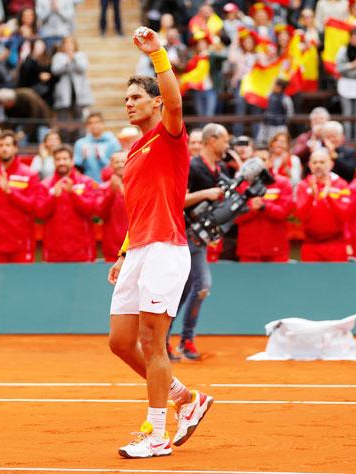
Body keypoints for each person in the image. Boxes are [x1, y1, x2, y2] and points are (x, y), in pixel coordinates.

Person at [107, 26, 212, 460]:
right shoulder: (133, 153)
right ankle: (186, 397)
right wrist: (124, 252)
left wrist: (158, 55)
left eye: (136, 98)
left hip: (168, 249)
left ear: (153, 103)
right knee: (119, 341)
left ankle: (155, 433)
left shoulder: (169, 134)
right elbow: (140, 207)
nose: (129, 104)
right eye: (126, 98)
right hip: (139, 251)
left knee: (154, 343)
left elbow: (174, 100)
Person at [168, 123, 228, 361]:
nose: (227, 145)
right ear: (212, 140)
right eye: (224, 140)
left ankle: (169, 339)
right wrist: (206, 193)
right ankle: (185, 339)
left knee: (182, 291)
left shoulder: (218, 169)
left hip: (199, 238)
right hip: (184, 235)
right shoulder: (192, 166)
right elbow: (177, 200)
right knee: (201, 285)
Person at [0, 130, 39, 263]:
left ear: (15, 148)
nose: (4, 149)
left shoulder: (29, 174)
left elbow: (32, 207)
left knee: (22, 283)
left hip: (21, 242)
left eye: (8, 145)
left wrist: (10, 192)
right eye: (1, 145)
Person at [36, 145, 98, 262]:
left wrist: (73, 193)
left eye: (65, 159)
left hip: (82, 250)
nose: (61, 162)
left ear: (72, 161)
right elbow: (40, 213)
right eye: (58, 159)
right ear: (54, 162)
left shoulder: (86, 182)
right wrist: (53, 196)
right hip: (54, 251)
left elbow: (91, 210)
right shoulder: (45, 185)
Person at [235, 152, 294, 262]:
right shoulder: (241, 184)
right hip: (249, 251)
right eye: (255, 160)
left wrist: (264, 206)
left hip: (276, 250)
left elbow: (284, 213)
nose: (259, 164)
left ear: (271, 161)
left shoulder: (282, 183)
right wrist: (251, 209)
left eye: (263, 159)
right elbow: (234, 217)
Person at [295, 149, 352, 262]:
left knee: (338, 279)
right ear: (310, 165)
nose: (318, 166)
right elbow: (301, 216)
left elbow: (345, 215)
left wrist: (329, 197)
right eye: (315, 162)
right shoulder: (303, 185)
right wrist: (311, 196)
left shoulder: (341, 184)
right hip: (310, 244)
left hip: (336, 244)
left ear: (330, 164)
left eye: (322, 162)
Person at [96, 151, 128, 262]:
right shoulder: (103, 188)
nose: (120, 164)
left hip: (135, 245)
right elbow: (99, 213)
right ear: (111, 165)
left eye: (123, 161)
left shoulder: (138, 186)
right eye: (116, 162)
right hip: (112, 248)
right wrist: (111, 193)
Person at [73, 112, 121, 182]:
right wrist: (82, 159)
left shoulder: (112, 142)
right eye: (90, 123)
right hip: (88, 185)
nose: (94, 125)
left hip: (109, 184)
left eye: (97, 122)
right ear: (86, 126)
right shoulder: (80, 143)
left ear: (103, 124)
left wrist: (102, 157)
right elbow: (76, 168)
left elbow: (119, 165)